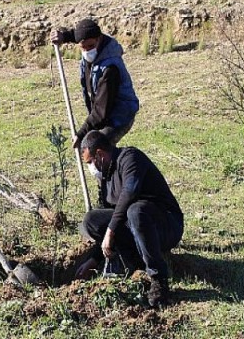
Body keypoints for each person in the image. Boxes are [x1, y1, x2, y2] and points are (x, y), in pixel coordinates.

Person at [75, 130, 184, 307]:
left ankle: (159, 281)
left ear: (100, 154)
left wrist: (110, 232)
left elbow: (130, 192)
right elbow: (112, 217)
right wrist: (94, 259)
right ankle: (132, 260)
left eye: (90, 162)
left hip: (166, 225)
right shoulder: (106, 178)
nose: (90, 167)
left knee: (135, 210)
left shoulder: (130, 158)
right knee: (91, 221)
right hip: (137, 227)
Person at [50, 18, 139, 149]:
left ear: (99, 39)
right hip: (103, 114)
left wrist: (81, 135)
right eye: (83, 47)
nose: (87, 51)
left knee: (95, 149)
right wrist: (64, 36)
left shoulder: (110, 69)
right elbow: (80, 35)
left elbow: (101, 111)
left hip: (119, 116)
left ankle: (118, 166)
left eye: (90, 46)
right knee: (97, 149)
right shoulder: (89, 41)